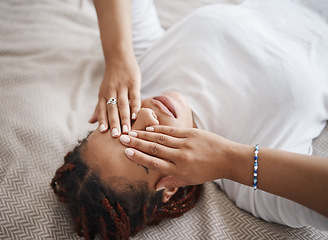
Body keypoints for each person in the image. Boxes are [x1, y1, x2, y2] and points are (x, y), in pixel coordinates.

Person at [52, 0, 328, 239]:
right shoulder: (254, 185)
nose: (146, 113)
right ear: (169, 187)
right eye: (145, 145)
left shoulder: (139, 72)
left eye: (121, 124)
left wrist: (117, 57)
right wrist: (231, 160)